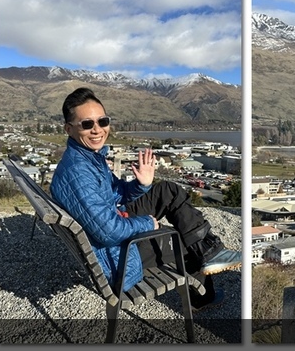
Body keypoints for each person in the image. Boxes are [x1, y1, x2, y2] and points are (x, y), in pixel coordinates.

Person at [50, 87, 241, 310]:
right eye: (87, 124)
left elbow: (114, 193)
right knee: (184, 242)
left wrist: (141, 185)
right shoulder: (79, 172)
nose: (97, 130)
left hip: (112, 227)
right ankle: (202, 296)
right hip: (117, 256)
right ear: (68, 128)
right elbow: (109, 232)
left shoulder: (87, 158)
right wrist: (147, 223)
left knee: (168, 190)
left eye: (102, 121)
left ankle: (210, 252)